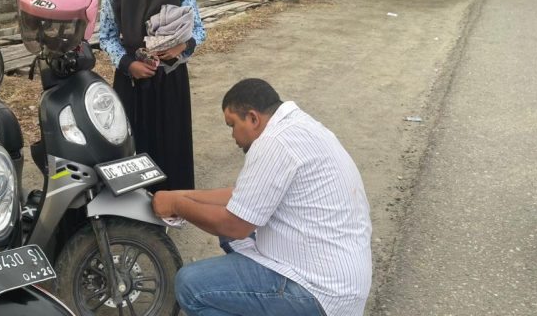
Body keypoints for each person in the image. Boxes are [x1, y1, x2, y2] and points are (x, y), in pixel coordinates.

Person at [152, 78, 373, 316]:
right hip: (341, 277)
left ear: (253, 118)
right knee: (231, 237)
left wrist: (177, 204)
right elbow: (241, 197)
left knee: (190, 284)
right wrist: (183, 194)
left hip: (317, 290)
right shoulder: (298, 126)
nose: (232, 136)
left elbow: (234, 224)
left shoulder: (273, 142)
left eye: (232, 125)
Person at [99, 0, 206, 192]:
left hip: (169, 80)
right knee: (131, 142)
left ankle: (169, 204)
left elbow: (200, 30)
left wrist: (182, 48)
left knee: (170, 143)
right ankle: (132, 206)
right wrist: (127, 64)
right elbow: (107, 35)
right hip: (132, 80)